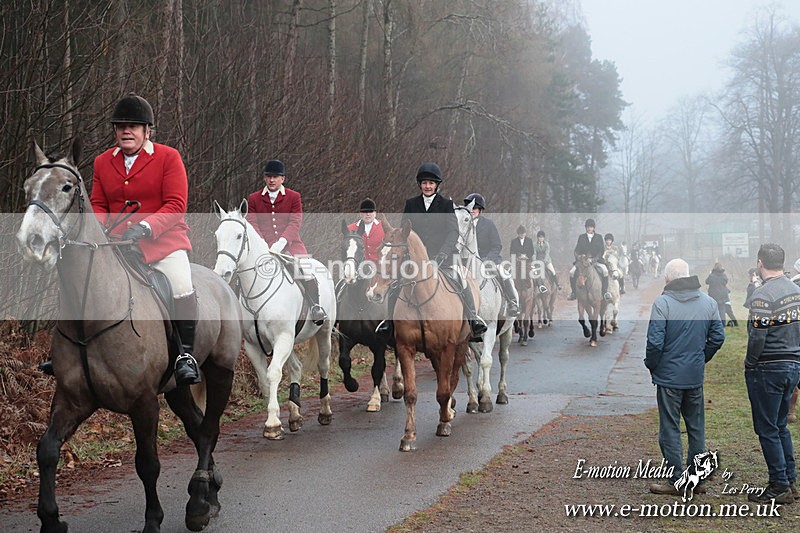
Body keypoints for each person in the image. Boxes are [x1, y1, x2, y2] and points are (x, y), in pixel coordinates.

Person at [90, 93, 200, 385]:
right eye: (121, 126)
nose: (127, 130)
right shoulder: (102, 162)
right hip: (116, 244)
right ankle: (71, 352)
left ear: (147, 131)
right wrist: (100, 230)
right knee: (82, 278)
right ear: (115, 131)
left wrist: (146, 228)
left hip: (162, 243)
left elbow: (176, 204)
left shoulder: (168, 157)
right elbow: (98, 204)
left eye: (134, 126)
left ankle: (184, 355)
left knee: (180, 283)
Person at [375, 162, 487, 341]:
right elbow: (405, 232)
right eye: (425, 183)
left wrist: (442, 255)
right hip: (414, 260)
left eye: (431, 183)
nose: (428, 186)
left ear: (437, 185)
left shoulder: (446, 204)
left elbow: (453, 232)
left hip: (442, 257)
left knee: (461, 279)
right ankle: (389, 323)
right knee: (395, 283)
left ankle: (473, 320)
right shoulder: (411, 204)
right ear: (420, 184)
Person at [645, 258, 725, 495]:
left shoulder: (662, 303)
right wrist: (700, 359)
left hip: (669, 378)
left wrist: (652, 366)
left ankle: (675, 480)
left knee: (669, 428)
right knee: (696, 428)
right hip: (693, 376)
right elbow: (718, 338)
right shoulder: (708, 303)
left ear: (668, 279)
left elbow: (655, 343)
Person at [744, 243, 800, 504]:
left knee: (767, 428)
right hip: (793, 366)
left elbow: (757, 335)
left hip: (768, 367)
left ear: (759, 263)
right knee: (780, 426)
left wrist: (750, 362)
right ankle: (790, 480)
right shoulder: (797, 291)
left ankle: (778, 484)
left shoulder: (762, 295)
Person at [246, 159, 326, 325]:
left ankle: (315, 307)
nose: (272, 180)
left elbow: (295, 222)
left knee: (307, 273)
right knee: (244, 272)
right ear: (264, 178)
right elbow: (252, 223)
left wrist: (281, 243)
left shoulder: (293, 197)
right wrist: (263, 244)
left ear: (283, 178)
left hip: (291, 245)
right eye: (268, 177)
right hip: (263, 247)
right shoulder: (253, 199)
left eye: (275, 177)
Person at [463, 193, 519, 316]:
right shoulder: (463, 224)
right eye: (470, 208)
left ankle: (512, 302)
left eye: (475, 208)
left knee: (504, 274)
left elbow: (497, 245)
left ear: (480, 210)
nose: (472, 211)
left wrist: (487, 259)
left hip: (489, 259)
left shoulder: (488, 224)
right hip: (467, 261)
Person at [567, 218, 612, 302]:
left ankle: (605, 292)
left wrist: (595, 259)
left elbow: (601, 250)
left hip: (596, 261)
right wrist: (579, 257)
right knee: (571, 272)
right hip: (583, 262)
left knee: (605, 271)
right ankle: (573, 293)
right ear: (585, 228)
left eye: (591, 227)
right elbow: (576, 250)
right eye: (588, 227)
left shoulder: (599, 237)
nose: (589, 228)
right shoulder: (581, 237)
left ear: (594, 228)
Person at [347, 197, 384, 263]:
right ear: (360, 214)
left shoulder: (383, 227)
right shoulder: (350, 229)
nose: (368, 214)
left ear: (375, 213)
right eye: (365, 211)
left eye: (370, 211)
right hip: (358, 267)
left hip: (380, 268)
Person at [705, 262, 738, 327]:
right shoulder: (724, 275)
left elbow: (707, 282)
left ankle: (711, 323)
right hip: (723, 294)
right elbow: (725, 281)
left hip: (713, 294)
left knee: (713, 309)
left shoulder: (712, 275)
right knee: (722, 309)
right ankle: (723, 324)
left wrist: (710, 274)